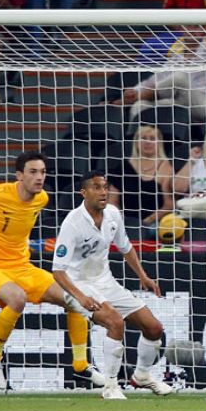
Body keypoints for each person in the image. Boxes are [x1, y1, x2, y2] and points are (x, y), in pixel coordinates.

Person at [0, 151, 104, 390]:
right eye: (33, 172)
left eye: (43, 172)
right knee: (17, 298)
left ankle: (80, 367)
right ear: (19, 176)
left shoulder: (42, 198)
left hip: (22, 267)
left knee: (74, 298)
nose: (39, 177)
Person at [51, 171, 174, 399]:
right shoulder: (72, 223)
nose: (103, 192)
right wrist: (80, 297)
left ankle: (142, 376)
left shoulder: (113, 214)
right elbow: (58, 271)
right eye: (96, 187)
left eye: (105, 186)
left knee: (154, 328)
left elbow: (126, 247)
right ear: (84, 192)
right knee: (115, 322)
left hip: (106, 282)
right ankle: (110, 387)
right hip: (78, 285)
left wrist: (143, 276)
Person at [107, 125, 176, 239]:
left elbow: (169, 205)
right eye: (143, 138)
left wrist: (146, 222)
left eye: (152, 138)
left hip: (153, 223)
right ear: (136, 142)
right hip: (125, 223)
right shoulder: (123, 167)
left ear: (159, 143)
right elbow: (112, 201)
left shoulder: (165, 167)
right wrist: (122, 220)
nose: (147, 142)